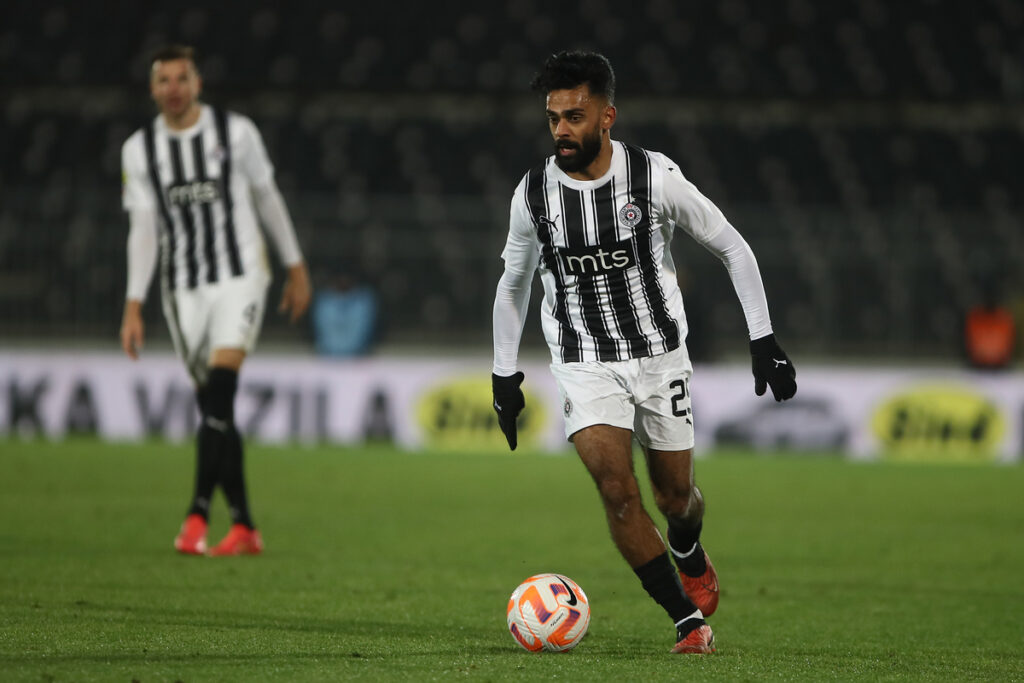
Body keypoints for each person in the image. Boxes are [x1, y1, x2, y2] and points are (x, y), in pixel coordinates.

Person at [491, 51, 797, 654]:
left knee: (673, 498)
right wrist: (505, 374)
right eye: (553, 118)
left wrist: (763, 339)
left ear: (608, 116)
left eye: (574, 116)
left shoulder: (652, 178)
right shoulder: (532, 195)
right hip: (584, 361)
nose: (561, 131)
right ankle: (686, 621)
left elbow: (733, 247)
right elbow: (513, 283)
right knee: (616, 488)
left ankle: (687, 546)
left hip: (660, 356)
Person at [119, 45, 312, 556]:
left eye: (182, 78)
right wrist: (133, 302)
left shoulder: (236, 133)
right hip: (182, 288)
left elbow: (267, 197)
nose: (174, 88)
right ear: (153, 88)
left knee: (220, 393)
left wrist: (294, 266)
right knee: (214, 411)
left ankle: (196, 514)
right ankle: (245, 525)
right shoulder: (138, 150)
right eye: (164, 80)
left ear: (197, 83)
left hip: (241, 275)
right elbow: (143, 229)